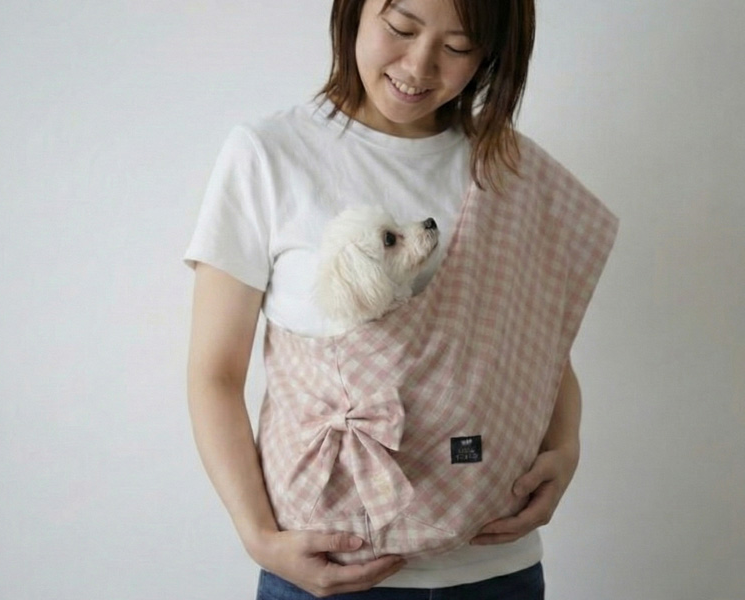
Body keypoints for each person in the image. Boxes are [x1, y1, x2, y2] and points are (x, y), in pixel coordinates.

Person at [185, 0, 616, 597]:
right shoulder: (269, 154)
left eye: (458, 47)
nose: (419, 66)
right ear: (354, 11)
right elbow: (215, 373)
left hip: (494, 566)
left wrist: (566, 447)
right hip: (324, 567)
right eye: (401, 28)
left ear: (493, 53)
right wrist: (257, 535)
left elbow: (540, 342)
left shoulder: (508, 170)